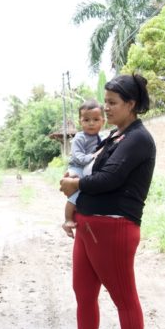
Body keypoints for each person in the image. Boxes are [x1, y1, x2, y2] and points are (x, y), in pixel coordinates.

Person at [46, 73, 156, 329]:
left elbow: (110, 177)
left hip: (115, 227)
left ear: (131, 104)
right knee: (83, 293)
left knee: (124, 299)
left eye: (112, 103)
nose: (106, 108)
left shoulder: (139, 138)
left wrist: (75, 184)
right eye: (105, 101)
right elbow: (93, 167)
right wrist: (74, 181)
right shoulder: (114, 137)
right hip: (89, 226)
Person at [62, 99, 106, 238]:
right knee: (75, 193)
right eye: (86, 120)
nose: (91, 123)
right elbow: (78, 157)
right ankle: (68, 219)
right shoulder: (79, 138)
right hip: (77, 168)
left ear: (103, 121)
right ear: (80, 122)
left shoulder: (102, 137)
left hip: (88, 169)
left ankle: (78, 215)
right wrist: (94, 156)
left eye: (95, 119)